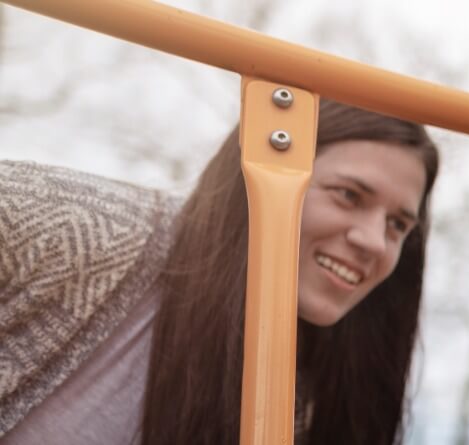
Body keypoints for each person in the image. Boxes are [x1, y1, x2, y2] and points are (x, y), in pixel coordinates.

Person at [0, 99, 440, 445]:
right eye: (348, 195)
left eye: (397, 225)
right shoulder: (82, 230)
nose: (374, 241)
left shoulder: (307, 398)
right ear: (257, 175)